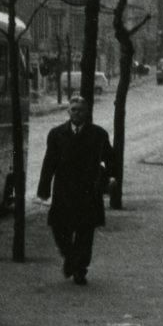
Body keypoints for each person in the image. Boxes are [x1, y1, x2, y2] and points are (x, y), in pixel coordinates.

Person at [36, 96, 109, 284]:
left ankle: (80, 270)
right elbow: (49, 162)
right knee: (59, 228)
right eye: (74, 109)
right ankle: (70, 258)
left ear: (87, 112)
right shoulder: (56, 134)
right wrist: (44, 189)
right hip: (64, 190)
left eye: (81, 110)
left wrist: (109, 180)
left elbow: (110, 159)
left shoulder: (98, 134)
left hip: (87, 192)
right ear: (68, 111)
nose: (77, 113)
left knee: (85, 234)